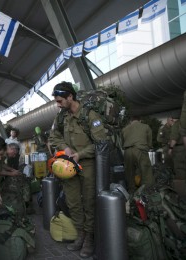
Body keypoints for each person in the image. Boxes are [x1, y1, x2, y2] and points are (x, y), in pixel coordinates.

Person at [48, 81, 108, 258]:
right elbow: (53, 136)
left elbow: (101, 144)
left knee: (89, 202)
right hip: (68, 166)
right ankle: (80, 234)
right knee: (73, 202)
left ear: (70, 97)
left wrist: (80, 155)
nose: (58, 104)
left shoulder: (90, 116)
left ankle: (89, 237)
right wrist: (65, 147)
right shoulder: (61, 117)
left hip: (87, 165)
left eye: (60, 101)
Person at [122, 116, 154, 193]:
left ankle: (131, 193)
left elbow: (122, 142)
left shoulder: (124, 129)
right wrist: (148, 147)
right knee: (146, 172)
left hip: (128, 151)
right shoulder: (146, 127)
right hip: (140, 150)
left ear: (130, 121)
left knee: (129, 173)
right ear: (140, 120)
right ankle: (147, 193)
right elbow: (149, 141)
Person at [168, 117, 186, 184]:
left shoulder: (177, 124)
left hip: (180, 149)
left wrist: (170, 148)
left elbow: (174, 138)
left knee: (180, 169)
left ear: (173, 119)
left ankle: (182, 192)